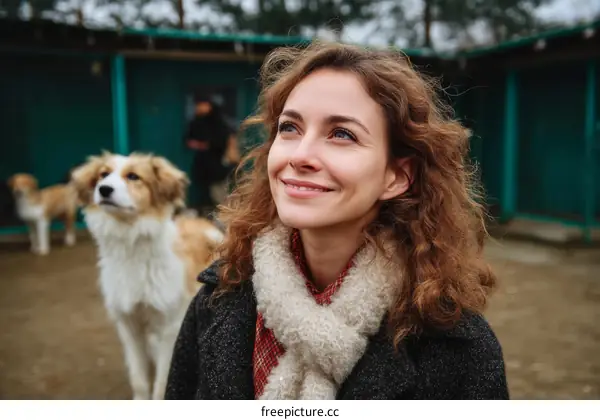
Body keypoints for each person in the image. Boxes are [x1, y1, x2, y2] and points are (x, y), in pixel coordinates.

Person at [165, 41, 509, 400]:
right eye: (290, 128)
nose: (300, 155)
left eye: (341, 134)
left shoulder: (459, 348)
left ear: (397, 176)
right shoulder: (217, 299)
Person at [185, 95, 238, 216]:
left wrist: (206, 145)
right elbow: (188, 139)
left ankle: (224, 216)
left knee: (218, 193)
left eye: (202, 104)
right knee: (202, 192)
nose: (198, 107)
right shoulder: (197, 121)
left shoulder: (220, 122)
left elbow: (221, 141)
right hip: (202, 164)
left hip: (217, 164)